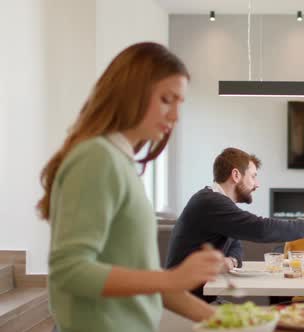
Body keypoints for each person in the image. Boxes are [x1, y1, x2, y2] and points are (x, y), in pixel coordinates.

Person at [37, 42, 224, 332]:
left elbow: (146, 278)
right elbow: (69, 271)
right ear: (130, 92)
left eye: (179, 103)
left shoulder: (119, 162)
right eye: (166, 99)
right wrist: (173, 278)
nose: (175, 116)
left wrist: (224, 320)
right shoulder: (97, 158)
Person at [165, 147, 304, 302]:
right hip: (183, 301)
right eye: (253, 176)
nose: (257, 184)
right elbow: (261, 229)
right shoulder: (210, 202)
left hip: (200, 296)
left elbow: (236, 244)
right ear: (236, 175)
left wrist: (231, 260)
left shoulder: (217, 203)